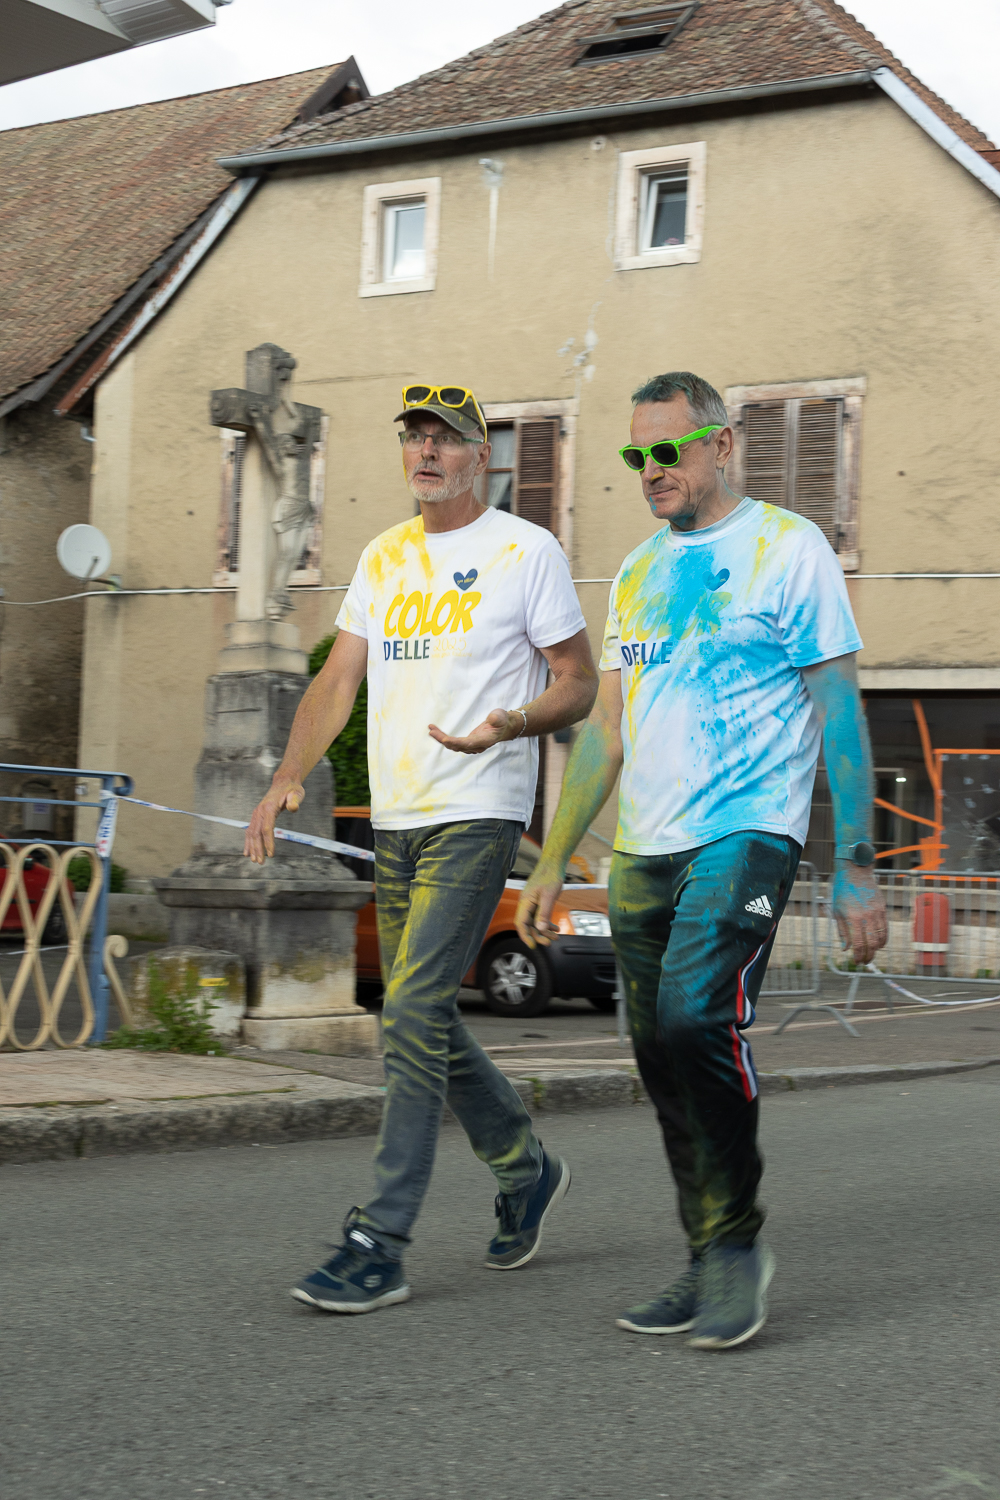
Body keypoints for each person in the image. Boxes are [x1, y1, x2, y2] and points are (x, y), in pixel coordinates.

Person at [516, 371, 887, 1350]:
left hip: (748, 834)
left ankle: (737, 1245)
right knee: (660, 1053)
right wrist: (553, 862)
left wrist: (856, 864)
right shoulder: (636, 572)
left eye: (667, 449)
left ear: (721, 445)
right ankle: (705, 1246)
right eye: (635, 454)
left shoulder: (789, 549)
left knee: (694, 1017)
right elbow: (605, 731)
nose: (649, 469)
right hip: (645, 849)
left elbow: (840, 711)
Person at [245, 383, 597, 1313]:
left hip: (478, 812)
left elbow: (578, 682)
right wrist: (287, 776)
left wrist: (511, 722)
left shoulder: (526, 551)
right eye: (415, 437)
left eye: (446, 438)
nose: (427, 452)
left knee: (408, 1010)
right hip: (396, 823)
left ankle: (381, 1239)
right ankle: (525, 1168)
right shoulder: (383, 555)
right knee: (422, 1017)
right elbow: (338, 680)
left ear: (482, 456)